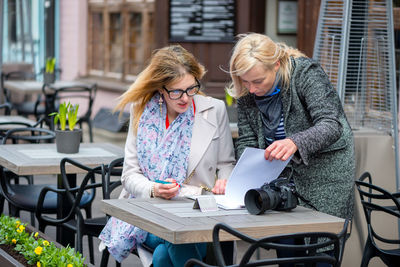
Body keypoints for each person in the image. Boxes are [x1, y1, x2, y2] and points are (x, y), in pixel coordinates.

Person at [99, 45, 235, 267]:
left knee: (163, 256)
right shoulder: (141, 111)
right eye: (176, 91)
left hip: (198, 211)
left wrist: (224, 181)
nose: (185, 98)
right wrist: (153, 189)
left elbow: (226, 163)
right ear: (161, 89)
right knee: (176, 236)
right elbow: (130, 175)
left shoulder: (214, 110)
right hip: (150, 212)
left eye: (191, 89)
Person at [227, 33, 354, 266]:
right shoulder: (246, 90)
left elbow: (331, 123)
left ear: (276, 65)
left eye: (258, 81)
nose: (251, 89)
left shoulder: (305, 73)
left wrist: (295, 142)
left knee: (322, 253)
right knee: (285, 249)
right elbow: (246, 140)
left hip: (325, 176)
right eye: (245, 81)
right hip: (281, 180)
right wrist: (241, 177)